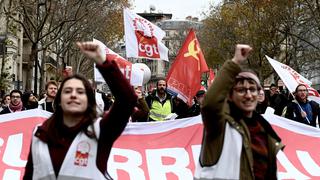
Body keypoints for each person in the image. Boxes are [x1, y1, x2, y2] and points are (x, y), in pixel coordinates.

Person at [23, 41, 137, 179]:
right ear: (59, 100)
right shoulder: (40, 134)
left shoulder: (101, 131)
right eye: (67, 91)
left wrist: (104, 63)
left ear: (89, 101)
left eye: (80, 92)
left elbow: (127, 100)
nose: (73, 95)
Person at [194, 44, 284, 180]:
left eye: (252, 89)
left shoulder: (265, 129)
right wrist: (235, 62)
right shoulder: (220, 124)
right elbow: (210, 104)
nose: (248, 95)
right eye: (241, 90)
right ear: (230, 95)